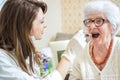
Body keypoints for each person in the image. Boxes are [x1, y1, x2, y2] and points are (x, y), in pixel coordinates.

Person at [0, 0, 75, 80]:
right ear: (24, 26)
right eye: (41, 21)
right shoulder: (2, 60)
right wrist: (68, 56)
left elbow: (39, 75)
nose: (45, 25)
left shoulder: (24, 49)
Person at [69, 0, 120, 80]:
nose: (92, 26)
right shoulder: (80, 55)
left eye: (99, 21)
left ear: (113, 27)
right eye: (89, 21)